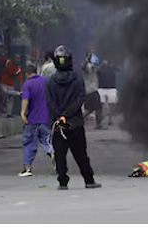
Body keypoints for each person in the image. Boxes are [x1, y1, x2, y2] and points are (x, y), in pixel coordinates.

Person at [45, 46, 100, 191]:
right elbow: (80, 99)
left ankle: (62, 182)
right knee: (81, 154)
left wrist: (59, 115)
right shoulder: (77, 79)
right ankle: (89, 180)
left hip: (58, 125)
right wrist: (67, 115)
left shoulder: (50, 81)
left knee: (60, 156)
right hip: (74, 123)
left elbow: (49, 102)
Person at [19, 62, 52, 177]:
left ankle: (27, 168)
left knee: (29, 142)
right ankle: (54, 154)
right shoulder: (46, 81)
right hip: (46, 118)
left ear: (27, 73)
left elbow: (25, 99)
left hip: (32, 119)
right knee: (46, 140)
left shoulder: (28, 84)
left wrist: (23, 113)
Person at [97, 60, 118, 129]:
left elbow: (118, 69)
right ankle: (99, 121)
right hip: (101, 87)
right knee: (100, 105)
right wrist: (102, 64)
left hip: (111, 87)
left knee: (111, 105)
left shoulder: (112, 64)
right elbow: (97, 70)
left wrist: (112, 65)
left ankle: (110, 119)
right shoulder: (100, 62)